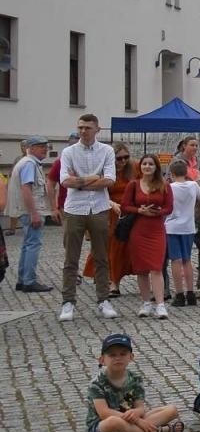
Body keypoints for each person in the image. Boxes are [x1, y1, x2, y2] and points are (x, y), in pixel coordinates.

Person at [58, 114, 120, 322]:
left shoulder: (107, 151)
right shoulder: (68, 151)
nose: (83, 131)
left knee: (101, 256)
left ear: (97, 129)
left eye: (87, 128)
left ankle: (103, 299)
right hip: (75, 208)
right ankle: (68, 302)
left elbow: (110, 180)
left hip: (99, 207)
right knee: (71, 258)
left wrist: (81, 181)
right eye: (80, 128)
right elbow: (65, 181)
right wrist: (94, 177)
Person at [84, 332, 183, 432]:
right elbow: (104, 413)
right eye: (112, 355)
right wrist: (139, 422)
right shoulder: (96, 383)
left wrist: (136, 413)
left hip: (130, 419)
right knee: (113, 422)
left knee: (172, 410)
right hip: (102, 424)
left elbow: (140, 408)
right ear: (102, 360)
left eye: (123, 354)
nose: (118, 358)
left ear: (131, 357)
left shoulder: (135, 379)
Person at [123, 154, 173, 320]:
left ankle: (160, 304)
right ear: (140, 167)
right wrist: (139, 210)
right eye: (144, 164)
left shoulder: (164, 185)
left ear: (156, 167)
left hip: (156, 229)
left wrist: (158, 212)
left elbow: (169, 207)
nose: (147, 167)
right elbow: (125, 205)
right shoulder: (133, 184)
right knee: (141, 269)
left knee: (156, 267)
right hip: (138, 229)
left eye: (151, 164)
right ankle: (146, 302)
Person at [12, 136, 54, 293]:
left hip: (26, 210)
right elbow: (26, 189)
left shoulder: (27, 162)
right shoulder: (29, 163)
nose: (45, 149)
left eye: (46, 146)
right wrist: (34, 213)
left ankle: (22, 280)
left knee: (27, 244)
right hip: (31, 210)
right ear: (30, 148)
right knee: (32, 245)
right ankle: (29, 281)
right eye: (40, 146)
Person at [165, 157, 200, 308]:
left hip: (172, 226)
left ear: (172, 173)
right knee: (187, 260)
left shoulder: (169, 187)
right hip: (188, 226)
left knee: (175, 260)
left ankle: (179, 294)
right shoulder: (193, 185)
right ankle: (190, 292)